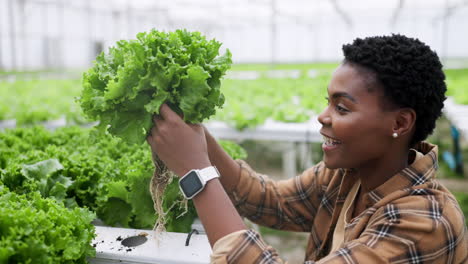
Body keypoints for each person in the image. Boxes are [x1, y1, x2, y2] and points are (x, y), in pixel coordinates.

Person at [146, 34, 468, 263]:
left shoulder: (424, 224)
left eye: (342, 108)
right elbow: (268, 201)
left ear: (399, 124)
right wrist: (198, 139)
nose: (323, 117)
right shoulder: (347, 175)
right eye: (327, 102)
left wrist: (197, 173)